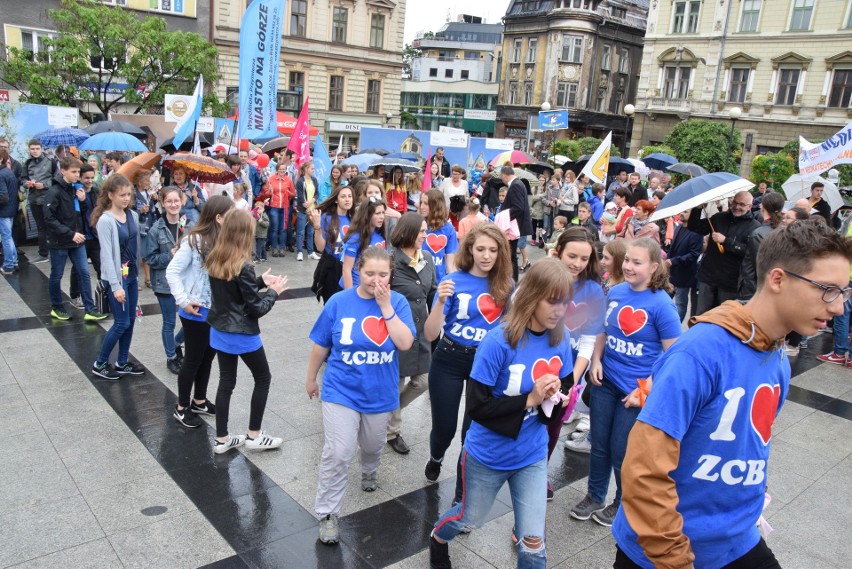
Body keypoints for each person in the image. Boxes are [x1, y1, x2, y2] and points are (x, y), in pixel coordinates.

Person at [612, 221, 852, 569]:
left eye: (843, 292)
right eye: (827, 290)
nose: (839, 307)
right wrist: (674, 558)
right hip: (663, 550)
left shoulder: (779, 358)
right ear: (778, 279)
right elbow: (644, 470)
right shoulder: (699, 352)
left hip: (739, 542)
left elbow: (752, 446)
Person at [430, 259, 575, 569]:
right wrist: (531, 399)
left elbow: (566, 385)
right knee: (468, 518)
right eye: (552, 300)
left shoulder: (560, 340)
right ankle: (439, 537)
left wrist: (558, 397)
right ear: (532, 295)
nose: (559, 309)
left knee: (533, 543)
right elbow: (477, 407)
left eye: (565, 301)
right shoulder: (498, 341)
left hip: (532, 455)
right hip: (487, 456)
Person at [306, 246, 416, 545]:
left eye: (383, 274)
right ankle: (328, 513)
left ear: (391, 275)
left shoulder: (399, 302)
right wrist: (311, 378)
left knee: (372, 444)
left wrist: (386, 307)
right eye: (370, 274)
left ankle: (369, 471)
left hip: (379, 392)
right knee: (338, 452)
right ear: (358, 272)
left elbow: (405, 343)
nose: (376, 280)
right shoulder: (340, 302)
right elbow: (321, 343)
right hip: (340, 388)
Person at [570, 238, 681, 527]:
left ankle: (622, 501)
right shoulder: (617, 292)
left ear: (654, 267)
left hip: (635, 392)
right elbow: (601, 331)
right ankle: (595, 496)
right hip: (605, 381)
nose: (628, 266)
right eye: (627, 260)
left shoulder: (663, 306)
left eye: (637, 262)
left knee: (622, 450)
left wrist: (645, 390)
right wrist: (595, 361)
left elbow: (676, 356)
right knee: (599, 444)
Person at [423, 223, 513, 503]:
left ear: (501, 253)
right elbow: (429, 334)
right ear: (470, 250)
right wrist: (439, 301)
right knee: (445, 428)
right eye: (480, 249)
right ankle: (436, 457)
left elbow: (510, 330)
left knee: (472, 433)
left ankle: (462, 493)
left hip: (485, 366)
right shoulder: (454, 280)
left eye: (493, 250)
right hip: (449, 358)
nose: (486, 256)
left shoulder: (506, 285)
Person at [206, 208, 289, 454]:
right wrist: (274, 292)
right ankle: (254, 435)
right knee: (263, 378)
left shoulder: (214, 257)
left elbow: (233, 292)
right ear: (244, 234)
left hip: (220, 330)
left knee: (226, 382)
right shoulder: (243, 265)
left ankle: (222, 438)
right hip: (242, 333)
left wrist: (261, 282)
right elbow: (255, 308)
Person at [166, 195, 234, 428]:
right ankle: (182, 406)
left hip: (214, 312)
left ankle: (199, 400)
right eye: (230, 215)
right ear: (218, 217)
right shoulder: (194, 240)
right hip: (194, 311)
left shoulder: (225, 238)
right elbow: (172, 272)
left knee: (207, 358)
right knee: (193, 360)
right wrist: (183, 301)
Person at [549, 228, 606, 462]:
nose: (577, 263)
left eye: (584, 258)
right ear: (559, 251)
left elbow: (589, 339)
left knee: (552, 427)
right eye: (572, 256)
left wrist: (570, 380)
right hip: (532, 365)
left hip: (567, 370)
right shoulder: (544, 278)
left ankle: (540, 471)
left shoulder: (593, 290)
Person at [387, 213, 437, 454]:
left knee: (423, 381)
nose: (425, 236)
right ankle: (392, 431)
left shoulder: (427, 258)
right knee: (396, 383)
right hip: (396, 333)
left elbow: (432, 292)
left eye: (425, 231)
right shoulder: (391, 262)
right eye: (421, 231)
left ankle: (386, 410)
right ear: (407, 232)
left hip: (422, 333)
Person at [90, 174, 146, 380]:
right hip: (117, 279)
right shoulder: (105, 220)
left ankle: (122, 362)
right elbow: (105, 255)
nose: (126, 198)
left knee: (130, 320)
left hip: (130, 275)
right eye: (122, 195)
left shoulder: (133, 215)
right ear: (111, 195)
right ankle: (100, 362)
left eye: (129, 194)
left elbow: (136, 244)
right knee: (121, 322)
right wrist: (115, 285)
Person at [43, 156, 107, 322]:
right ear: (63, 171)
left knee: (84, 273)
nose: (76, 175)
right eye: (73, 172)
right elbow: (49, 219)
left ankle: (90, 308)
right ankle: (57, 307)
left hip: (77, 240)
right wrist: (70, 233)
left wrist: (83, 201)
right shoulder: (54, 192)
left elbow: (78, 214)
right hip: (60, 241)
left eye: (78, 172)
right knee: (56, 275)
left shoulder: (74, 189)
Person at [687, 190, 760, 314]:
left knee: (723, 319)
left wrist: (726, 241)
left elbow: (749, 252)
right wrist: (698, 209)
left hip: (730, 282)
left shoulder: (754, 226)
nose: (736, 207)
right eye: (735, 203)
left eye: (742, 205)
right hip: (708, 277)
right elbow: (695, 227)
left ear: (749, 207)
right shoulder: (719, 217)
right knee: (701, 316)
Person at [144, 187, 188, 375]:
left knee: (192, 321)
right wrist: (170, 255)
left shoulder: (187, 224)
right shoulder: (157, 228)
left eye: (176, 201)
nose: (173, 204)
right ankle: (171, 357)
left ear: (181, 201)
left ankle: (176, 344)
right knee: (169, 322)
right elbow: (150, 258)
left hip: (186, 281)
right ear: (163, 203)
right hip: (164, 283)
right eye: (169, 201)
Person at [309, 185, 354, 303]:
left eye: (350, 196)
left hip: (351, 268)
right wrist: (317, 227)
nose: (347, 199)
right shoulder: (327, 218)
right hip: (332, 268)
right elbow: (320, 247)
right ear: (336, 200)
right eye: (343, 196)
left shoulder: (355, 219)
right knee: (332, 305)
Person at [738, 192, 785, 301]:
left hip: (753, 291)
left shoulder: (758, 234)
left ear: (762, 207)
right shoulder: (782, 229)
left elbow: (760, 267)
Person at [340, 196, 387, 289]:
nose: (382, 217)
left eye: (383, 213)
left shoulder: (380, 236)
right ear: (367, 215)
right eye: (377, 213)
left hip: (372, 288)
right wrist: (350, 296)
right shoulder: (356, 237)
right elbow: (346, 269)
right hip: (354, 288)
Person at [24, 139, 58, 263]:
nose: (35, 151)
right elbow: (23, 179)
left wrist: (44, 184)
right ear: (29, 150)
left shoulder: (51, 161)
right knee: (40, 227)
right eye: (32, 149)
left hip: (48, 198)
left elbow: (57, 178)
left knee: (51, 225)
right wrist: (27, 184)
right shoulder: (27, 163)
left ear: (42, 149)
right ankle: (43, 253)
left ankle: (54, 252)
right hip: (34, 199)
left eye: (37, 148)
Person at [666, 210, 704, 322]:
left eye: (686, 212)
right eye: (682, 211)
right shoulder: (678, 227)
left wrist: (674, 261)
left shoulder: (696, 232)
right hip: (671, 273)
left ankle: (675, 329)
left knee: (680, 304)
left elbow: (694, 255)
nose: (682, 213)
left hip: (684, 274)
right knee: (664, 300)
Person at [500, 165, 533, 281]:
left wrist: (503, 216)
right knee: (511, 254)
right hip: (515, 225)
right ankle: (512, 280)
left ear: (504, 175)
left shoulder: (516, 185)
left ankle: (512, 281)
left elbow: (518, 208)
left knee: (511, 255)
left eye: (501, 177)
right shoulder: (518, 184)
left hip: (514, 226)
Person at [421, 189, 458, 283]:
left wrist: (452, 284)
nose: (421, 207)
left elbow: (451, 265)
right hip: (418, 282)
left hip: (439, 282)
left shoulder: (449, 230)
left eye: (426, 203)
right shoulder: (418, 224)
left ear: (436, 206)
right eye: (421, 202)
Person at [267, 161, 296, 258]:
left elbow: (293, 194)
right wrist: (269, 192)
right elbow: (266, 193)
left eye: (284, 169)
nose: (282, 171)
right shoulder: (271, 179)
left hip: (285, 207)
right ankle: (274, 247)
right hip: (274, 207)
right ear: (277, 169)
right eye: (280, 169)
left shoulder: (288, 180)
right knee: (274, 229)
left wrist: (288, 193)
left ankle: (282, 248)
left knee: (283, 229)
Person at [295, 160, 321, 261]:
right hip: (303, 210)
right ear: (306, 169)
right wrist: (306, 204)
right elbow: (300, 195)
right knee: (300, 232)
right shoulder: (300, 181)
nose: (313, 170)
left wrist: (312, 201)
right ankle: (300, 252)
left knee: (310, 231)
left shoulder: (314, 179)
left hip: (313, 209)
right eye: (312, 168)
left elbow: (317, 193)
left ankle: (311, 252)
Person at [0, 147, 19, 275]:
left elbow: (3, 196)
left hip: (4, 211)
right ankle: (14, 262)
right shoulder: (8, 171)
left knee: (6, 238)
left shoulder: (1, 174)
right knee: (8, 237)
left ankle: (8, 265)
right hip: (10, 210)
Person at [252, 198, 269, 262]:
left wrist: (261, 221)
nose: (258, 210)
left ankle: (257, 258)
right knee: (262, 246)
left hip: (262, 234)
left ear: (263, 209)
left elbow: (267, 224)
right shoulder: (256, 216)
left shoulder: (264, 216)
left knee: (258, 247)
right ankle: (264, 257)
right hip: (257, 233)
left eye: (260, 209)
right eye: (257, 209)